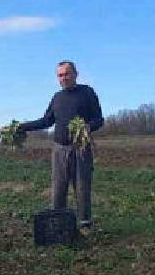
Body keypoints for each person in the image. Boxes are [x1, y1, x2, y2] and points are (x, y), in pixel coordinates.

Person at [14, 60, 104, 229]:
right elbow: (46, 121)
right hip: (59, 149)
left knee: (82, 187)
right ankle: (58, 224)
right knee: (58, 188)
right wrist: (22, 127)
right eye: (60, 75)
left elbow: (99, 119)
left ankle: (85, 224)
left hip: (81, 148)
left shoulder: (87, 92)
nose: (63, 78)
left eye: (67, 74)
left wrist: (88, 127)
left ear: (75, 74)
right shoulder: (57, 98)